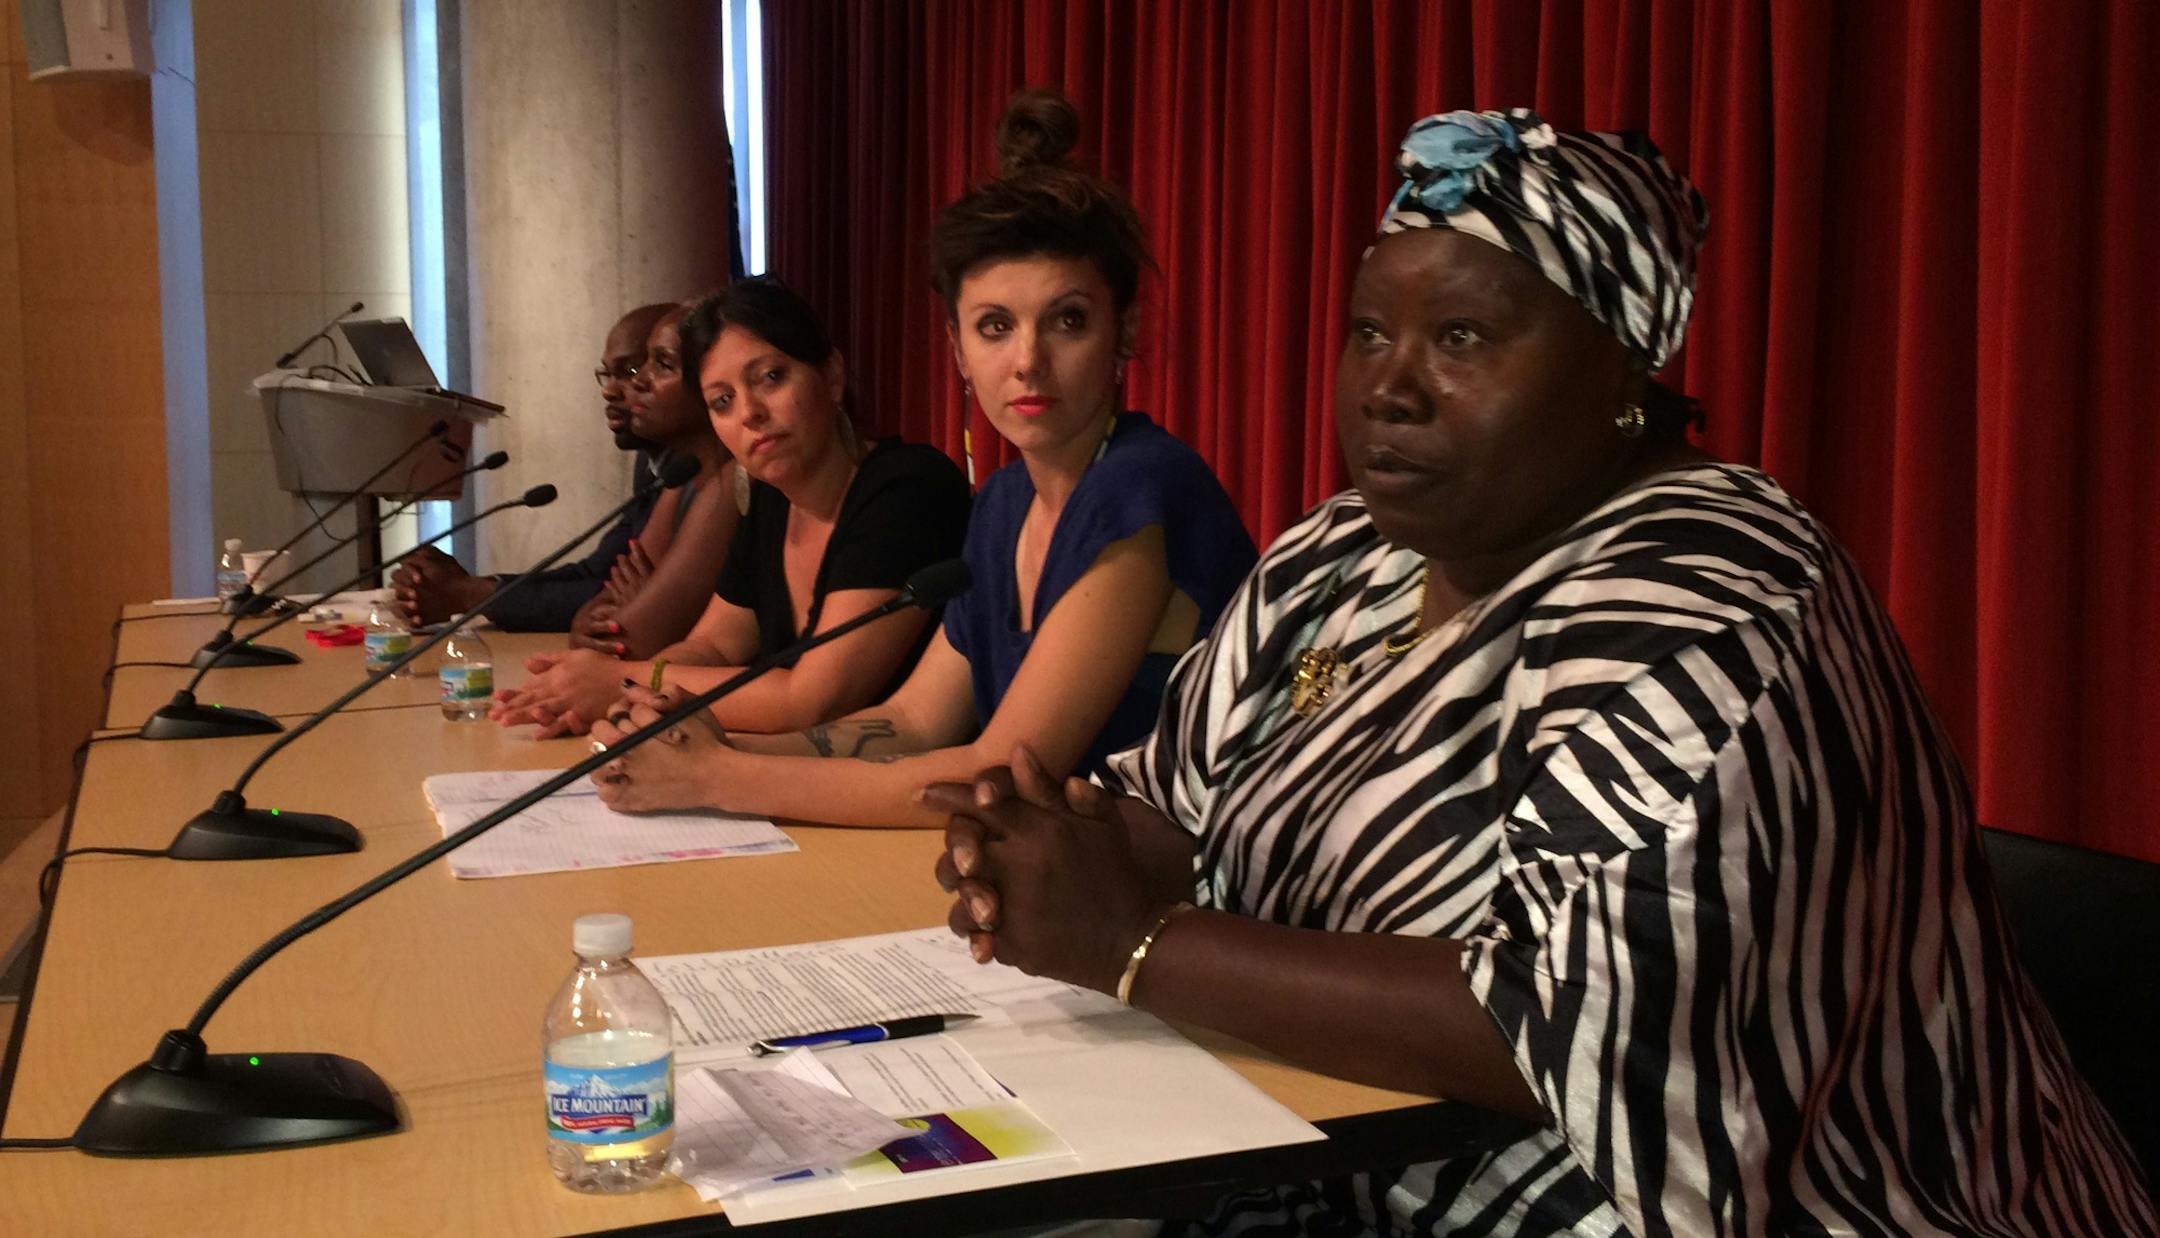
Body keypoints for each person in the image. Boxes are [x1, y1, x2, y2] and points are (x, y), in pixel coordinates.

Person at [916, 109, 2157, 1235]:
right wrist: (1045, 848)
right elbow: (1178, 793)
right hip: (1327, 1159)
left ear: (1623, 372)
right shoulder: (1345, 550)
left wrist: (1133, 942)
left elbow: (1565, 1021)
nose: (1388, 388)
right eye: (1369, 332)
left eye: (1460, 336)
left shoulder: (1710, 603)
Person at [587, 90, 1255, 828]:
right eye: (995, 326)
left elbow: (1003, 770)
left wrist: (717, 777)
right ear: (957, 349)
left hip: (1180, 895)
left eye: (1067, 321)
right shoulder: (1004, 503)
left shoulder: (1140, 485)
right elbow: (913, 722)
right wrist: (711, 741)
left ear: (1122, 331)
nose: (1028, 362)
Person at [494, 277, 972, 738]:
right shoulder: (769, 498)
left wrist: (623, 682)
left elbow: (814, 698)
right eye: (722, 401)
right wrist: (627, 703)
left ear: (831, 376)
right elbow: (715, 645)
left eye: (770, 378)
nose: (749, 413)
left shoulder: (907, 489)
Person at [391, 302, 674, 632]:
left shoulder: (703, 474)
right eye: (607, 374)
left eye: (631, 371)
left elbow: (633, 597)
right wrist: (473, 589)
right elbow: (598, 573)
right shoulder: (653, 463)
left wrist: (468, 595)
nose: (610, 390)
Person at [554, 302, 742, 658]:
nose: (637, 381)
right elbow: (596, 613)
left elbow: (630, 640)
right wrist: (598, 616)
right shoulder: (681, 476)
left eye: (662, 364)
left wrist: (643, 603)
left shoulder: (730, 480)